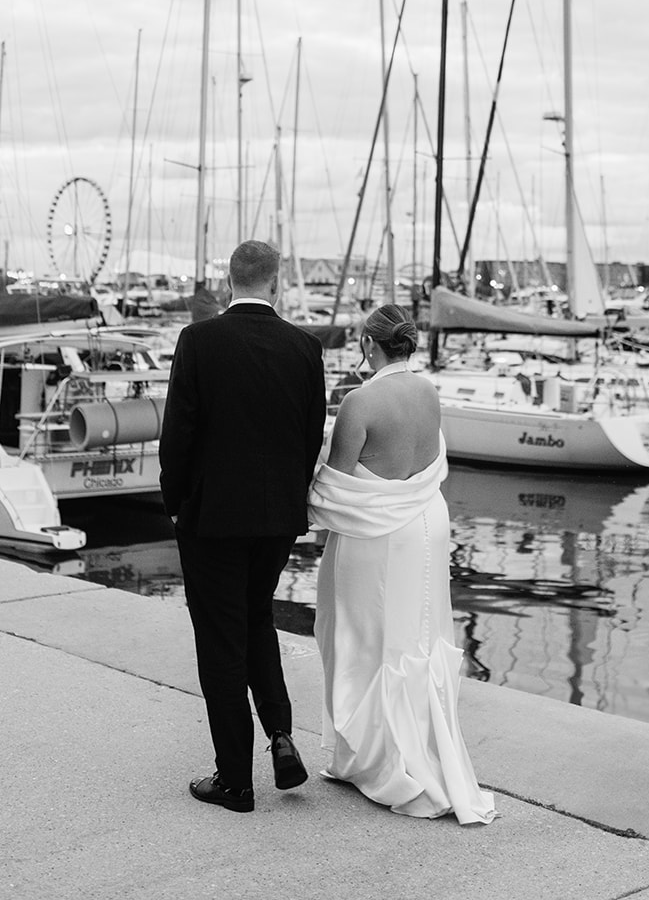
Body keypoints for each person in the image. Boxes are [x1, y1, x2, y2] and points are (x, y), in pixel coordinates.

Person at [308, 303, 496, 823]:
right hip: (427, 528)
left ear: (370, 344)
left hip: (376, 535)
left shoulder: (359, 402)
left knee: (363, 637)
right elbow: (424, 462)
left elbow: (337, 483)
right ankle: (411, 751)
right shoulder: (429, 393)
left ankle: (379, 760)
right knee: (415, 636)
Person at [159, 240, 327, 814]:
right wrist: (287, 502)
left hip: (212, 520)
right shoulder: (305, 347)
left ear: (229, 281)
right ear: (276, 283)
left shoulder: (199, 341)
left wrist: (175, 502)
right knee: (256, 620)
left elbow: (177, 432)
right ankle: (280, 734)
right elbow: (310, 440)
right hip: (277, 519)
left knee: (220, 640)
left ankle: (234, 779)